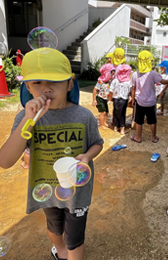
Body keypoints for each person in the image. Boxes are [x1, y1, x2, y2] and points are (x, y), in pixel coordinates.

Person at [0, 48, 104, 260]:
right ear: (27, 86)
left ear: (69, 84)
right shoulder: (25, 119)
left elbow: (98, 144)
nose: (45, 89)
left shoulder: (83, 116)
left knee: (75, 239)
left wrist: (87, 157)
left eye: (54, 82)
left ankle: (70, 250)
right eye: (37, 82)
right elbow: (5, 161)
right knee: (55, 230)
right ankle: (61, 250)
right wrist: (29, 120)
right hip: (45, 189)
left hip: (77, 192)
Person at [130, 50, 168, 143]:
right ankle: (153, 137)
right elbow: (162, 81)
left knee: (139, 121)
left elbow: (133, 88)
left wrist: (133, 99)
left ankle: (138, 137)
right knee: (152, 121)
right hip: (151, 102)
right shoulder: (153, 73)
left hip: (139, 101)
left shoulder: (135, 74)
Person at [109, 64, 132, 135]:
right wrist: (131, 96)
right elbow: (130, 90)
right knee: (122, 113)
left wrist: (110, 99)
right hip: (123, 100)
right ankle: (122, 129)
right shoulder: (128, 82)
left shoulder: (115, 80)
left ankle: (116, 127)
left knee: (116, 112)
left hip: (115, 99)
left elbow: (111, 90)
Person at [92, 62, 115, 130]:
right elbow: (95, 90)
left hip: (105, 99)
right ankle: (101, 125)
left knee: (106, 112)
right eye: (111, 74)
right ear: (107, 74)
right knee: (103, 112)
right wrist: (94, 100)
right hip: (100, 99)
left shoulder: (108, 81)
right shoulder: (100, 81)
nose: (111, 76)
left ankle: (104, 123)